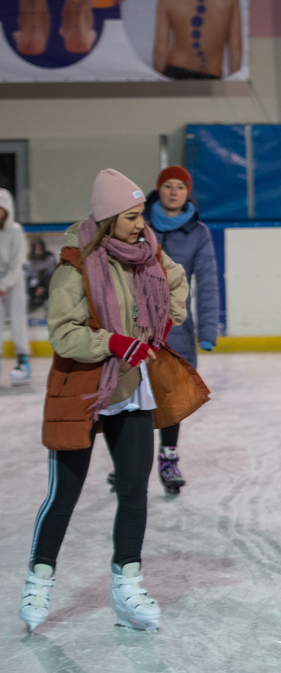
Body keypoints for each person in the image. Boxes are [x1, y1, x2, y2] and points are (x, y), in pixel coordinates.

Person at [19, 169, 195, 633]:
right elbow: (63, 333)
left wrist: (163, 324)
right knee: (65, 495)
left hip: (131, 389)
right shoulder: (75, 265)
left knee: (134, 492)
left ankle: (127, 585)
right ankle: (39, 579)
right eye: (133, 216)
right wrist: (113, 343)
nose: (142, 224)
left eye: (142, 215)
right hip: (81, 389)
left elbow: (177, 284)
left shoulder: (149, 253)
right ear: (108, 218)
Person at [141, 166, 219, 493]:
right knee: (137, 399)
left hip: (178, 329)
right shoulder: (138, 224)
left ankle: (168, 459)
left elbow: (208, 282)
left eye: (181, 187)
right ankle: (130, 462)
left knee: (171, 401)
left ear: (188, 193)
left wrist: (208, 331)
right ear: (158, 190)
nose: (174, 192)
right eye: (168, 186)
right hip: (138, 327)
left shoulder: (198, 232)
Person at [0, 189, 30, 384]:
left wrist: (5, 284)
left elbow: (17, 260)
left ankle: (23, 360)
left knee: (18, 320)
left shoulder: (16, 231)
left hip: (14, 280)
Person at [25, 236, 57, 314]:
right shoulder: (30, 260)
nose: (38, 251)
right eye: (36, 249)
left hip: (48, 284)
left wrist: (43, 287)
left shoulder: (50, 259)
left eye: (39, 249)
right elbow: (28, 276)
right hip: (34, 285)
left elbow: (52, 275)